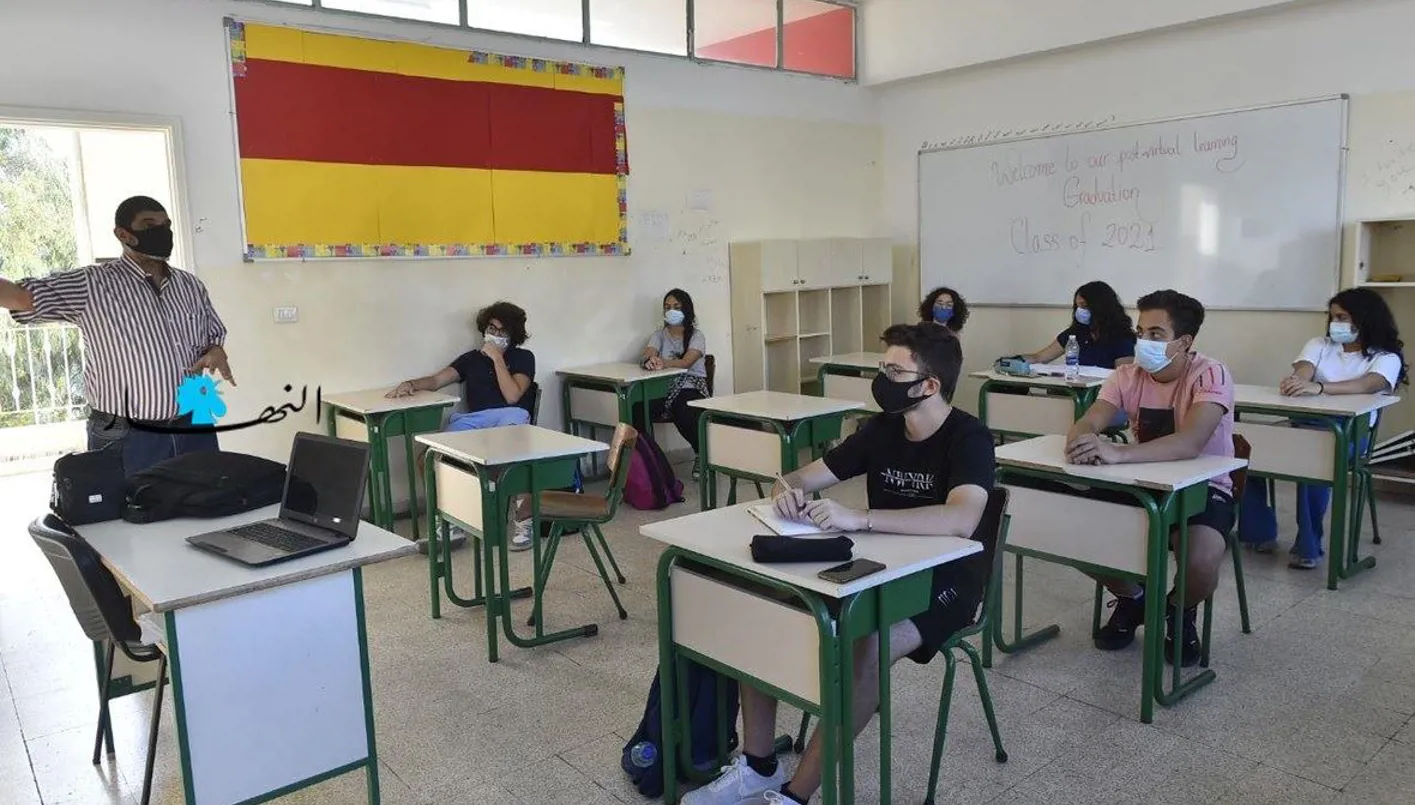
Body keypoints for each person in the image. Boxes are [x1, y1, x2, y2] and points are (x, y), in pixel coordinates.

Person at [683, 323, 994, 805]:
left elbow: (962, 519)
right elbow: (798, 477)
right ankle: (758, 766)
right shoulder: (882, 429)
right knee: (762, 610)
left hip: (947, 580)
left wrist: (861, 518)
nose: (882, 378)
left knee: (866, 645)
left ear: (929, 385)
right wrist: (788, 492)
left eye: (895, 371)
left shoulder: (969, 437)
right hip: (877, 566)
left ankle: (796, 795)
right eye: (882, 367)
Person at [1062, 289, 1234, 667]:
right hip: (1141, 484)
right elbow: (1090, 419)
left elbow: (1190, 442)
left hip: (1203, 487)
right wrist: (1082, 440)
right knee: (1071, 531)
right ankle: (1134, 598)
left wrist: (1117, 452)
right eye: (1141, 332)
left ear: (1184, 342)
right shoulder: (1127, 375)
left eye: (1156, 334)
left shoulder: (1210, 373)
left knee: (1201, 561)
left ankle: (1178, 609)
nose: (1144, 342)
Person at [0, 196, 232, 475]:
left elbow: (213, 334)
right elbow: (21, 298)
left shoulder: (190, 285)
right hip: (126, 434)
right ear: (123, 234)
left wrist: (216, 351)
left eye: (166, 225)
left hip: (193, 423)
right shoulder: (92, 284)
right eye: (150, 225)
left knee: (204, 495)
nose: (162, 231)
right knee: (129, 500)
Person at [1238, 287, 1407, 569]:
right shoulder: (1319, 344)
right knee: (1248, 450)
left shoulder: (1385, 357)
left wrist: (1319, 387)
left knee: (1313, 462)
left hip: (1351, 432)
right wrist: (1297, 381)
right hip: (1305, 423)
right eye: (1332, 317)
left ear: (1364, 319)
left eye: (1342, 317)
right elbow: (1304, 368)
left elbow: (1368, 384)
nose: (1334, 324)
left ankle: (1308, 547)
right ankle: (1259, 534)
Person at [388, 302, 537, 547]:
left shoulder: (523, 358)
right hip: (475, 421)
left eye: (502, 331)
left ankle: (524, 522)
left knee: (513, 456)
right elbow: (437, 380)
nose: (495, 334)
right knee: (429, 458)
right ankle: (450, 524)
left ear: (513, 334)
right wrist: (411, 384)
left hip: (511, 415)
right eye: (491, 328)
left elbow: (512, 395)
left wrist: (497, 359)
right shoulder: (471, 359)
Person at [634, 288, 709, 479]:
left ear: (686, 309)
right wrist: (649, 360)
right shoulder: (659, 334)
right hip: (663, 388)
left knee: (682, 408)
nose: (671, 311)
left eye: (676, 306)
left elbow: (686, 363)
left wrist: (663, 363)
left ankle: (702, 453)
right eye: (667, 307)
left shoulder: (696, 336)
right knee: (637, 409)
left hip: (690, 387)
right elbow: (648, 352)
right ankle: (650, 461)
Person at [1021, 280, 1136, 369]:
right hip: (1075, 387)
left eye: (1084, 306)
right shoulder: (1075, 333)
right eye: (1078, 306)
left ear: (1100, 307)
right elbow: (1039, 357)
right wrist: (1015, 360)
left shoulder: (1122, 338)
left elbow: (1122, 378)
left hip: (1105, 391)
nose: (1080, 311)